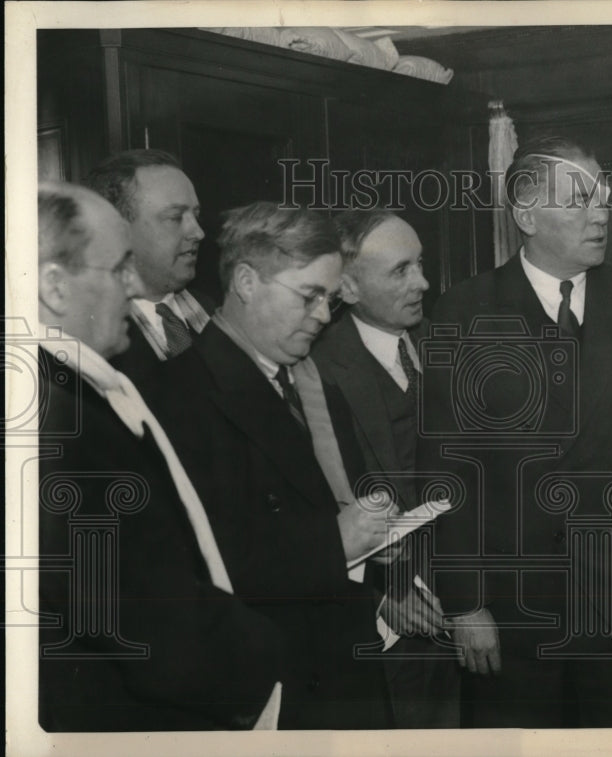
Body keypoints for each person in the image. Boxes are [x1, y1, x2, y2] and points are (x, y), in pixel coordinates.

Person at [419, 135, 612, 727]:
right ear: (526, 215)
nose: (601, 212)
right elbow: (446, 472)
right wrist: (466, 603)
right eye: (579, 200)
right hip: (514, 610)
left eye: (602, 196)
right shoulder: (465, 312)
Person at [36, 182, 283, 730]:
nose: (135, 287)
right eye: (118, 268)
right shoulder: (63, 427)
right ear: (54, 287)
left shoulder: (63, 396)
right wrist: (270, 656)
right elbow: (150, 626)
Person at [141, 201, 398, 729]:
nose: (325, 315)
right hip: (276, 690)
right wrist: (337, 544)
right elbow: (197, 573)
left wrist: (374, 540)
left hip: (341, 671)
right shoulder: (177, 398)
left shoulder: (311, 384)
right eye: (309, 296)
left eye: (329, 298)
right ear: (246, 281)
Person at [310, 209, 460, 728]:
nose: (423, 281)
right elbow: (312, 509)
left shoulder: (445, 343)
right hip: (381, 625)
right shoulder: (314, 369)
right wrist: (379, 593)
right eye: (400, 270)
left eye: (420, 264)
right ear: (347, 286)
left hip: (460, 606)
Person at [84, 149, 210, 379]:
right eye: (175, 218)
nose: (198, 232)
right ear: (118, 230)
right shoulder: (93, 342)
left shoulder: (216, 314)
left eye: (196, 215)